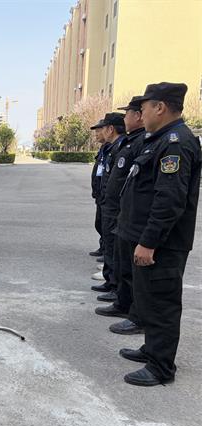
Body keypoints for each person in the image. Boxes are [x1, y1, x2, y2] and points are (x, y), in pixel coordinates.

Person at [116, 82, 201, 386]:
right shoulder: (161, 140)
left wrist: (149, 242)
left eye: (145, 108)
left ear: (160, 107)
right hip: (148, 239)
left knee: (162, 303)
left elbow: (169, 200)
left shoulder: (175, 143)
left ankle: (161, 367)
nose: (142, 114)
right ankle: (152, 350)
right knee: (149, 299)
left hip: (162, 245)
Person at [95, 97, 146, 335]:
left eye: (128, 114)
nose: (126, 118)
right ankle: (120, 297)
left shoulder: (140, 143)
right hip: (114, 207)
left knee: (126, 261)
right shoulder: (127, 144)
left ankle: (128, 305)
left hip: (123, 211)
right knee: (117, 253)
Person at [90, 113, 126, 298]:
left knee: (113, 242)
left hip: (114, 204)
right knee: (107, 236)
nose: (99, 133)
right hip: (105, 200)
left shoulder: (121, 147)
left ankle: (114, 283)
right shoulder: (110, 148)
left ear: (110, 129)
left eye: (102, 129)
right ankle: (110, 279)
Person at [89, 126, 108, 258]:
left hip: (106, 194)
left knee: (106, 224)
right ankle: (103, 247)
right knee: (100, 223)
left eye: (98, 131)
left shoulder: (113, 147)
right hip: (100, 193)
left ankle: (108, 252)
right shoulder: (104, 148)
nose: (96, 134)